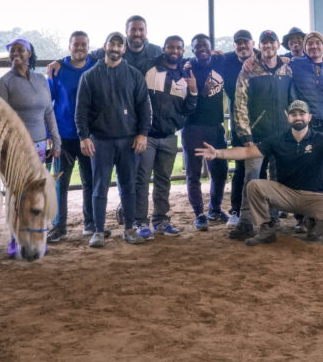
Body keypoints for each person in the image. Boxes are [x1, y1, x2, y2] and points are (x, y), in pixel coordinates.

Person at [196, 100, 323, 245]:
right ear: (288, 117)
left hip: (314, 196)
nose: (298, 117)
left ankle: (313, 229)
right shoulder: (277, 139)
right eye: (294, 114)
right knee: (254, 185)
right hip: (285, 193)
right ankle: (266, 229)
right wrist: (219, 153)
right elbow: (248, 151)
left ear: (309, 117)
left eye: (302, 114)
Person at [75, 32, 152, 247]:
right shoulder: (90, 76)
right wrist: (83, 137)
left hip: (129, 140)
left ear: (124, 49)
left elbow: (144, 107)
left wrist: (142, 133)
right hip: (100, 140)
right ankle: (98, 231)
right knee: (99, 187)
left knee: (129, 187)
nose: (115, 48)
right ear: (105, 46)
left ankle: (129, 229)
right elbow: (81, 110)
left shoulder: (135, 75)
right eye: (112, 44)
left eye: (120, 45)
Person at [0, 37, 61, 257]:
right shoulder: (5, 82)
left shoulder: (41, 80)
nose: (16, 54)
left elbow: (49, 112)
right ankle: (15, 240)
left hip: (41, 146)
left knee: (36, 194)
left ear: (29, 54)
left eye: (20, 50)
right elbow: (0, 118)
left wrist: (56, 140)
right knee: (16, 195)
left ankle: (37, 235)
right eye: (12, 51)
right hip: (16, 149)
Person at [230, 30, 293, 239]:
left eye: (271, 42)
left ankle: (272, 219)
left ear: (277, 45)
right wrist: (245, 135)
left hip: (282, 137)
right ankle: (246, 222)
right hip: (256, 138)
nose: (268, 46)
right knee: (252, 179)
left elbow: (293, 101)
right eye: (264, 43)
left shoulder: (287, 70)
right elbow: (239, 104)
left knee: (276, 181)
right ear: (260, 45)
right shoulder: (249, 70)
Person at [133, 36, 197, 237]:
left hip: (169, 136)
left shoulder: (185, 75)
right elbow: (134, 97)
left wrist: (194, 91)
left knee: (163, 180)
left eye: (179, 47)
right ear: (164, 48)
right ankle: (139, 222)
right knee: (141, 179)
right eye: (171, 47)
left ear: (183, 50)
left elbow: (187, 108)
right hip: (146, 136)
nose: (175, 50)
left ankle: (161, 220)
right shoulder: (148, 67)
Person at [46, 31, 97, 243]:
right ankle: (59, 227)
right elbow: (47, 103)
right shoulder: (58, 70)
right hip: (64, 136)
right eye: (76, 44)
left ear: (88, 46)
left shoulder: (95, 66)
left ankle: (91, 224)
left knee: (90, 181)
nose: (80, 48)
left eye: (83, 44)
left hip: (88, 136)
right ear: (69, 47)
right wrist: (50, 134)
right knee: (60, 183)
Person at [287, 31, 323, 232]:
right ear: (305, 47)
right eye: (310, 44)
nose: (314, 47)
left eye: (318, 43)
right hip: (304, 125)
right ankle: (301, 217)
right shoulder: (295, 65)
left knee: (322, 171)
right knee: (302, 170)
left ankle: (316, 215)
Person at [181, 33, 231, 230]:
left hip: (215, 126)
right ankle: (199, 214)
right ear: (192, 49)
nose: (201, 48)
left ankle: (215, 209)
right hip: (192, 127)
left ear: (212, 47)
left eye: (205, 45)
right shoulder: (187, 66)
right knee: (193, 173)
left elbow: (240, 54)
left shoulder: (220, 60)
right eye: (197, 46)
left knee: (220, 171)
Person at [220, 29, 256, 228]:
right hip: (238, 119)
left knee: (264, 165)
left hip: (262, 120)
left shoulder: (262, 57)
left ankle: (266, 209)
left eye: (245, 43)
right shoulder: (226, 60)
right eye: (238, 43)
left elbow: (285, 58)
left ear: (252, 43)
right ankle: (235, 210)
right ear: (234, 46)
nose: (242, 46)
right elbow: (205, 57)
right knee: (241, 166)